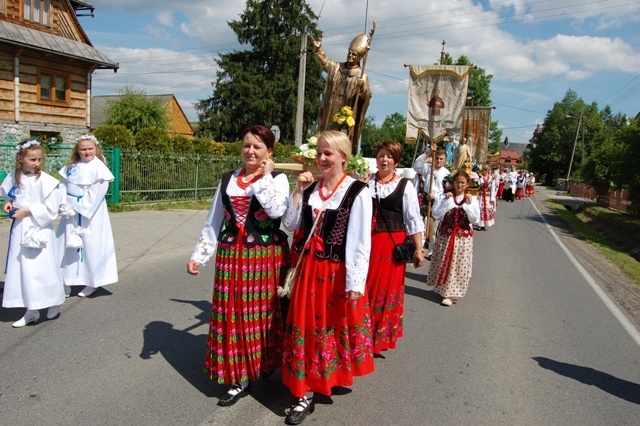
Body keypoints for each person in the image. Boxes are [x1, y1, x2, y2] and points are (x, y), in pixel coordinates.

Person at [187, 125, 289, 406]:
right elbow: (214, 221)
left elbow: (276, 210)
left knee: (262, 316)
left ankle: (264, 361)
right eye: (246, 145)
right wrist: (200, 256)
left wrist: (265, 176)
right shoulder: (227, 180)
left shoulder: (278, 180)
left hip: (265, 257)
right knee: (233, 316)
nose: (250, 151)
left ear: (270, 151)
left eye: (257, 146)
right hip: (232, 256)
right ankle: (239, 375)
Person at [281, 131, 373, 424]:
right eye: (319, 153)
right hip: (308, 270)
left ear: (343, 157)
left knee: (330, 328)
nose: (322, 159)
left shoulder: (357, 191)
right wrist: (297, 190)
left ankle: (324, 376)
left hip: (335, 273)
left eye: (328, 154)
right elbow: (290, 223)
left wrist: (355, 283)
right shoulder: (310, 189)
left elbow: (360, 242)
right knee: (305, 326)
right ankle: (303, 392)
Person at [367, 141, 424, 355]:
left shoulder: (404, 186)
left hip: (392, 246)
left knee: (386, 290)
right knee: (366, 287)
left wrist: (418, 249)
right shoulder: (365, 183)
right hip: (368, 242)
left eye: (390, 156)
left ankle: (378, 337)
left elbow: (413, 220)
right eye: (381, 155)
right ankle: (362, 334)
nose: (384, 159)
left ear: (396, 161)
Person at [1, 140, 65, 327]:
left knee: (43, 269)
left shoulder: (46, 181)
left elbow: (51, 209)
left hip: (39, 229)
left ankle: (54, 302)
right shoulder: (14, 177)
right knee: (24, 270)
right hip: (20, 228)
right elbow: (11, 195)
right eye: (32, 159)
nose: (36, 163)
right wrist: (9, 203)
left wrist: (28, 211)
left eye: (38, 159)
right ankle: (31, 310)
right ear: (20, 159)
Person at [57, 134, 118, 298]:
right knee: (65, 246)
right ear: (77, 150)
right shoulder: (72, 166)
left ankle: (91, 282)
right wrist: (63, 204)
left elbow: (96, 194)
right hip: (70, 213)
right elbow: (62, 186)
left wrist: (77, 208)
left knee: (90, 247)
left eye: (90, 149)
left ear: (95, 149)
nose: (87, 152)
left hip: (89, 215)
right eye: (83, 149)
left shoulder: (99, 168)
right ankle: (66, 281)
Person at [426, 171, 480, 306]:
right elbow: (436, 214)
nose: (460, 185)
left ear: (467, 184)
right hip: (446, 235)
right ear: (453, 183)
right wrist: (446, 201)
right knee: (443, 261)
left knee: (457, 264)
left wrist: (468, 205)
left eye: (463, 183)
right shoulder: (445, 197)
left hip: (462, 237)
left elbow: (475, 219)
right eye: (457, 182)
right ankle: (443, 289)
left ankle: (449, 293)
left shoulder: (472, 200)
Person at [311, 34, 372, 147]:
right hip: (330, 108)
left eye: (354, 54)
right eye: (349, 53)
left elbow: (366, 97)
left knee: (340, 140)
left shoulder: (361, 75)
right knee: (325, 137)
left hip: (346, 112)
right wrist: (319, 49)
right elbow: (325, 62)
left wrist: (363, 87)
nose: (350, 56)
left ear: (359, 58)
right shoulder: (337, 67)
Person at [413, 147, 450, 256]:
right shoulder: (428, 169)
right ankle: (420, 248)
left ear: (445, 160)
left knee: (434, 228)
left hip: (438, 201)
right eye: (437, 158)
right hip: (426, 199)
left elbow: (447, 192)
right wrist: (428, 152)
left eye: (441, 159)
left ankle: (432, 250)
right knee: (422, 224)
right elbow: (417, 165)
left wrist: (436, 196)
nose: (438, 161)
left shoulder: (447, 174)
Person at [477, 164, 497, 230]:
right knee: (481, 209)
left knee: (487, 209)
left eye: (485, 170)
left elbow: (493, 189)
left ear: (488, 170)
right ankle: (480, 224)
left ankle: (485, 224)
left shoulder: (491, 179)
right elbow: (478, 186)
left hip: (488, 196)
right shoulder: (480, 178)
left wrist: (493, 199)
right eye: (483, 169)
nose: (484, 171)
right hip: (481, 196)